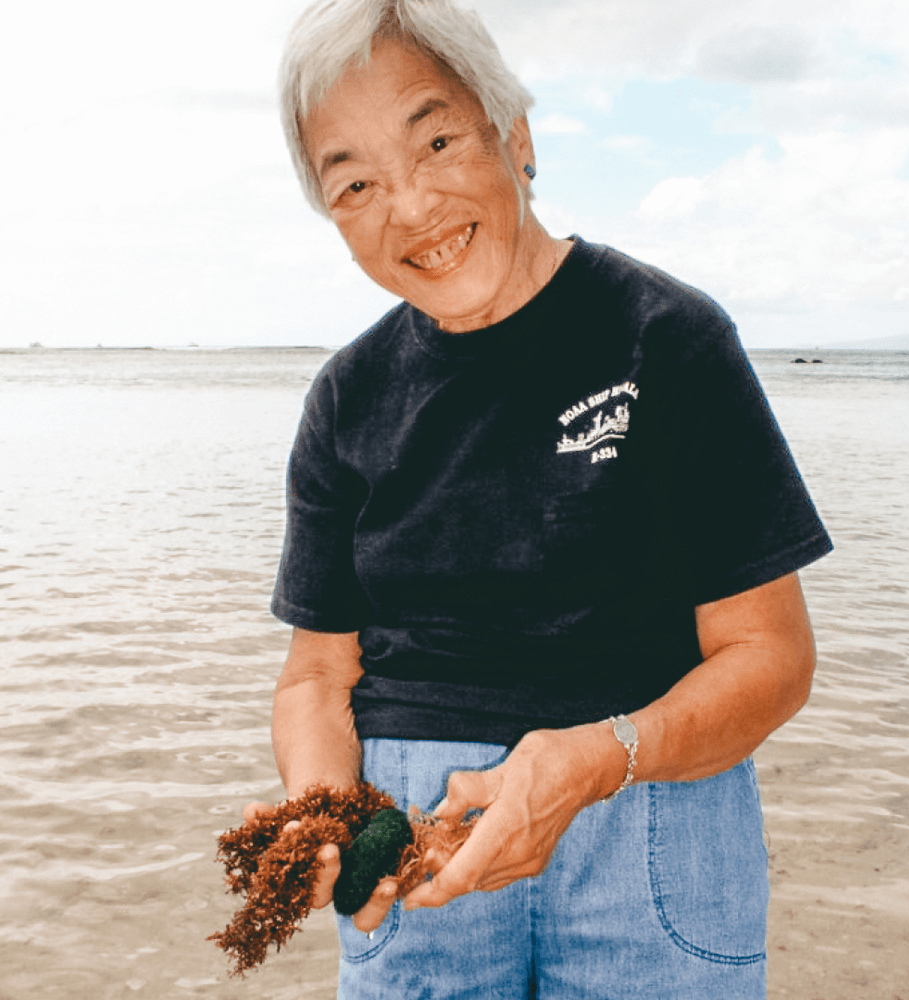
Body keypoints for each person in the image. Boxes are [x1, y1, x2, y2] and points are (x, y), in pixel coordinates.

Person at [248, 0, 833, 996]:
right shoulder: (346, 397)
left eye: (434, 141)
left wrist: (601, 758)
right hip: (411, 838)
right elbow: (315, 680)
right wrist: (322, 811)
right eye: (355, 184)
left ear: (513, 134)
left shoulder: (668, 338)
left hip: (649, 811)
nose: (411, 205)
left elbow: (770, 658)